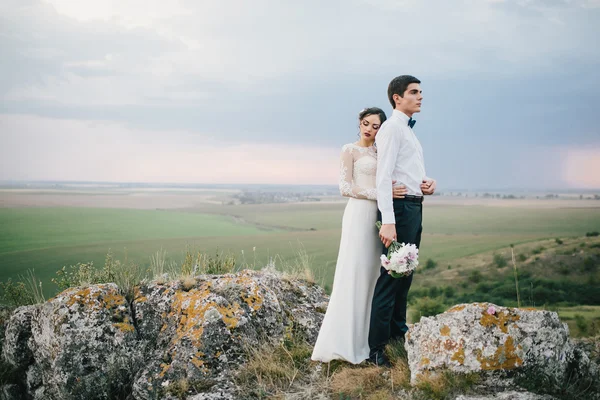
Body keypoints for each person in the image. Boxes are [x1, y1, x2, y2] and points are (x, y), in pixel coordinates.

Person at [311, 107, 408, 364]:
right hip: (357, 215)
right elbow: (345, 187)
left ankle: (372, 340)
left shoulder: (382, 151)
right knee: (354, 271)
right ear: (360, 123)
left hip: (379, 217)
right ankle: (346, 341)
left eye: (375, 126)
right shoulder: (349, 150)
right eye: (366, 123)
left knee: (374, 275)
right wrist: (380, 193)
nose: (369, 129)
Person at [368, 75, 436, 367]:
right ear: (397, 97)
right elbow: (383, 177)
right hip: (399, 212)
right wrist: (388, 220)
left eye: (420, 92)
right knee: (391, 278)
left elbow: (405, 171)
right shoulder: (392, 129)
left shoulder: (408, 131)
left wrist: (426, 184)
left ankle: (398, 337)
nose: (420, 97)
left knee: (404, 277)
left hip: (414, 208)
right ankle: (377, 349)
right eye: (414, 92)